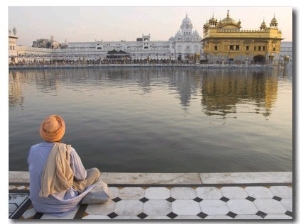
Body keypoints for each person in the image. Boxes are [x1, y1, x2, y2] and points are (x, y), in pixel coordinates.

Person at [27, 114, 100, 216]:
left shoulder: (33, 149)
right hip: (62, 204)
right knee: (94, 172)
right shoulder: (68, 151)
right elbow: (81, 176)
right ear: (61, 132)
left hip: (38, 203)